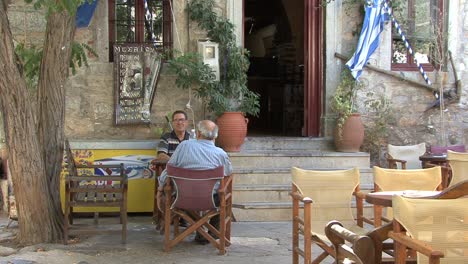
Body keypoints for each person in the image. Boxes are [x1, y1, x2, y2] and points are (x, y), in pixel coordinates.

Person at [157, 120, 232, 244]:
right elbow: (228, 173)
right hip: (211, 201)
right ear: (215, 136)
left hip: (182, 199)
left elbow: (169, 169)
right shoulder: (221, 154)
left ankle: (200, 231)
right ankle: (212, 233)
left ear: (198, 133)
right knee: (222, 196)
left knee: (183, 195)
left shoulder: (184, 146)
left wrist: (160, 189)